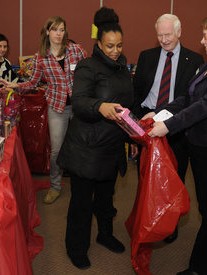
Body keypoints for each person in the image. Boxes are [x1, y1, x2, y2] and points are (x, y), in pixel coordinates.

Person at [143, 13, 207, 275]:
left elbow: (206, 106)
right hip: (200, 142)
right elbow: (188, 98)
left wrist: (168, 126)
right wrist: (160, 113)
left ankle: (201, 268)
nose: (202, 41)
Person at [57, 7, 138, 270]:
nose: (115, 50)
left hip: (113, 146)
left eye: (119, 45)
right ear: (99, 44)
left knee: (106, 199)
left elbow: (126, 106)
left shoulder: (122, 67)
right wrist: (99, 106)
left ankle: (105, 234)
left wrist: (133, 137)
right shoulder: (87, 66)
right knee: (81, 204)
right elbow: (79, 102)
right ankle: (76, 247)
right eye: (110, 46)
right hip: (87, 148)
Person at [0, 16, 87, 204]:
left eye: (62, 30)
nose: (59, 34)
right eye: (55, 30)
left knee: (83, 147)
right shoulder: (41, 57)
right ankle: (55, 186)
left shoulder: (76, 50)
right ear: (47, 32)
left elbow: (89, 72)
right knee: (56, 150)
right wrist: (14, 86)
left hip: (80, 106)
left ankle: (84, 186)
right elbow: (32, 83)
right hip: (57, 107)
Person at [132, 13, 204, 243]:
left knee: (174, 178)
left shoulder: (194, 60)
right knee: (146, 177)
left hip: (176, 126)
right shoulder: (146, 56)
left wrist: (171, 119)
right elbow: (136, 93)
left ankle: (169, 224)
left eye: (168, 34)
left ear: (179, 32)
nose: (164, 39)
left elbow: (192, 99)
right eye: (160, 35)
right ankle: (147, 219)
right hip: (148, 122)